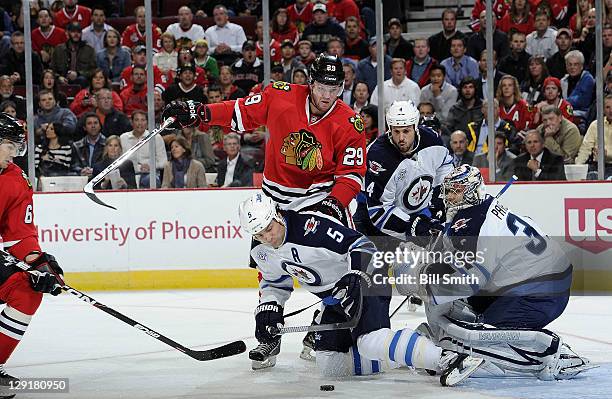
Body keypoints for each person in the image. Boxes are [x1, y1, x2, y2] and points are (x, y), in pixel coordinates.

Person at [163, 54, 368, 361]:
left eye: (335, 88)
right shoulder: (280, 95)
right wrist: (199, 111)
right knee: (270, 268)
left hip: (319, 199)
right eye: (322, 87)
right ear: (310, 82)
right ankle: (269, 331)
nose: (328, 95)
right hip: (275, 200)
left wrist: (334, 205)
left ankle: (325, 319)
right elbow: (238, 112)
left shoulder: (349, 122)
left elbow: (352, 175)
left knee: (336, 265)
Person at [237, 192, 484, 384]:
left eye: (268, 229)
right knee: (329, 364)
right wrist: (269, 308)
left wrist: (356, 273)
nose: (267, 238)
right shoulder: (260, 250)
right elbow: (273, 282)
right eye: (258, 235)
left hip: (367, 279)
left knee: (369, 341)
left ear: (277, 215)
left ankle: (443, 357)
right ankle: (414, 344)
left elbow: (362, 244)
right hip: (337, 297)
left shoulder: (311, 227)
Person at [396, 164, 590, 381]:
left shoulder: (477, 223)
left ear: (472, 191)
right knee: (467, 312)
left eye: (457, 190)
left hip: (541, 292)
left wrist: (420, 284)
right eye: (449, 190)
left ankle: (551, 354)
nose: (450, 196)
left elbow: (469, 282)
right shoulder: (477, 212)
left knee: (483, 336)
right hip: (536, 283)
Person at [0, 113, 65, 394]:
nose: (13, 155)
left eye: (17, 148)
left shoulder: (14, 179)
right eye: (9, 146)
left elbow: (19, 234)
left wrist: (37, 261)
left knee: (25, 289)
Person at [365, 100, 452, 241]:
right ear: (389, 129)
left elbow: (445, 165)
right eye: (396, 131)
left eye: (406, 131)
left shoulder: (432, 139)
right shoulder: (379, 157)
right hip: (379, 223)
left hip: (423, 211)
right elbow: (378, 211)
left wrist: (439, 197)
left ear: (415, 127)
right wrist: (413, 227)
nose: (401, 138)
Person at [120, 110, 167, 188]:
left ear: (147, 123)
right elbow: (121, 162)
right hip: (129, 175)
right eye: (136, 120)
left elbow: (163, 162)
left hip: (150, 174)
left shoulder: (156, 137)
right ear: (131, 122)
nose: (140, 123)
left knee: (150, 180)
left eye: (143, 120)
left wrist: (150, 166)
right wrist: (137, 168)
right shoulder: (123, 138)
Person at [51, 21, 97, 88]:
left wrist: (78, 74)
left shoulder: (89, 50)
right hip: (62, 79)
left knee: (82, 79)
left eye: (78, 32)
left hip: (81, 81)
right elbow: (52, 69)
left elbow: (93, 70)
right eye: (73, 32)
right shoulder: (59, 49)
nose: (76, 34)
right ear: (68, 33)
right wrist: (59, 77)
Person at [71, 112, 106, 177]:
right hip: (82, 179)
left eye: (95, 123)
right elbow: (73, 165)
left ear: (100, 126)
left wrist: (95, 171)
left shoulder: (108, 144)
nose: (93, 126)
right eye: (89, 123)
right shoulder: (76, 146)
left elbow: (110, 165)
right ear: (84, 128)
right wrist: (81, 171)